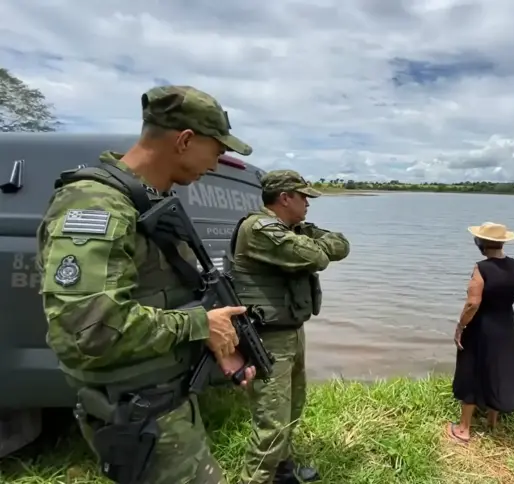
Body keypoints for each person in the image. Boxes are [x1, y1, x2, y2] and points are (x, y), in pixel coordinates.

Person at [37, 85, 258, 483]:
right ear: (185, 140)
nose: (217, 162)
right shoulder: (96, 205)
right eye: (216, 149)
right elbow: (90, 330)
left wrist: (215, 343)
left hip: (162, 405)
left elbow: (161, 296)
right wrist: (200, 325)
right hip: (141, 412)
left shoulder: (145, 200)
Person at [230, 170, 350, 484]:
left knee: (292, 408)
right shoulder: (259, 229)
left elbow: (341, 245)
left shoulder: (290, 228)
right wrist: (313, 242)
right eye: (304, 197)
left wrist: (310, 237)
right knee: (271, 424)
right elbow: (318, 257)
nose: (308, 204)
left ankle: (282, 473)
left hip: (290, 331)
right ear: (285, 198)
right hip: (268, 337)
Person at [447, 222, 514, 444]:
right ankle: (492, 421)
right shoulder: (513, 265)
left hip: (482, 325)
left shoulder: (481, 268)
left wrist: (461, 326)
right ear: (502, 242)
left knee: (470, 370)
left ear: (481, 243)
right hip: (505, 324)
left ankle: (463, 429)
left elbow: (473, 303)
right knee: (497, 367)